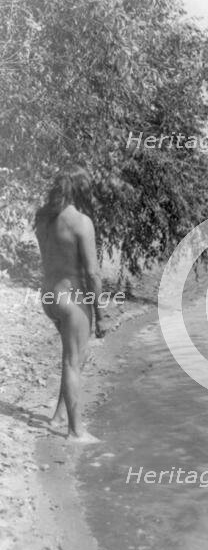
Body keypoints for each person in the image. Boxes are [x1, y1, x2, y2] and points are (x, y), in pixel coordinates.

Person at [35, 165, 109, 443]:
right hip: (73, 297)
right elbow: (92, 273)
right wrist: (100, 314)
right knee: (73, 360)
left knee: (74, 356)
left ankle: (58, 417)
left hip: (49, 295)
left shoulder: (42, 219)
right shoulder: (80, 221)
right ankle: (76, 431)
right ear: (81, 189)